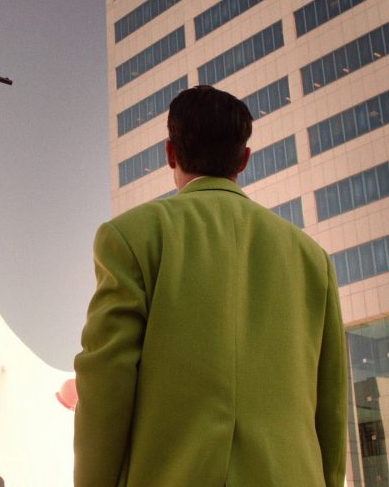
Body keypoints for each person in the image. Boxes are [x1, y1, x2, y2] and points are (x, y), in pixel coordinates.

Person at [74, 85, 347, 486]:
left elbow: (106, 383)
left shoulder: (133, 236)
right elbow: (332, 404)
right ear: (244, 159)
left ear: (170, 153)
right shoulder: (312, 258)